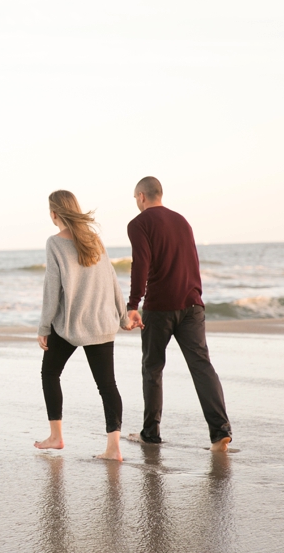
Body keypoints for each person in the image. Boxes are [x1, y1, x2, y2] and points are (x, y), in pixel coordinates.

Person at [124, 176, 233, 452]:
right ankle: (220, 432)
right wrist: (196, 297)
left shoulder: (139, 224)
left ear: (141, 197)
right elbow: (192, 260)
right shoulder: (182, 221)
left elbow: (141, 265)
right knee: (202, 366)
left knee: (152, 368)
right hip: (192, 305)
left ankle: (151, 434)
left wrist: (133, 305)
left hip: (159, 308)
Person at [34, 190, 131, 461]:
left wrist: (44, 327)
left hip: (71, 325)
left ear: (54, 214)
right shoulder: (94, 239)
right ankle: (114, 449)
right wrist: (123, 317)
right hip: (101, 323)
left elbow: (52, 291)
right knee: (107, 385)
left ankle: (56, 436)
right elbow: (113, 279)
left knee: (50, 373)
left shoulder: (54, 243)